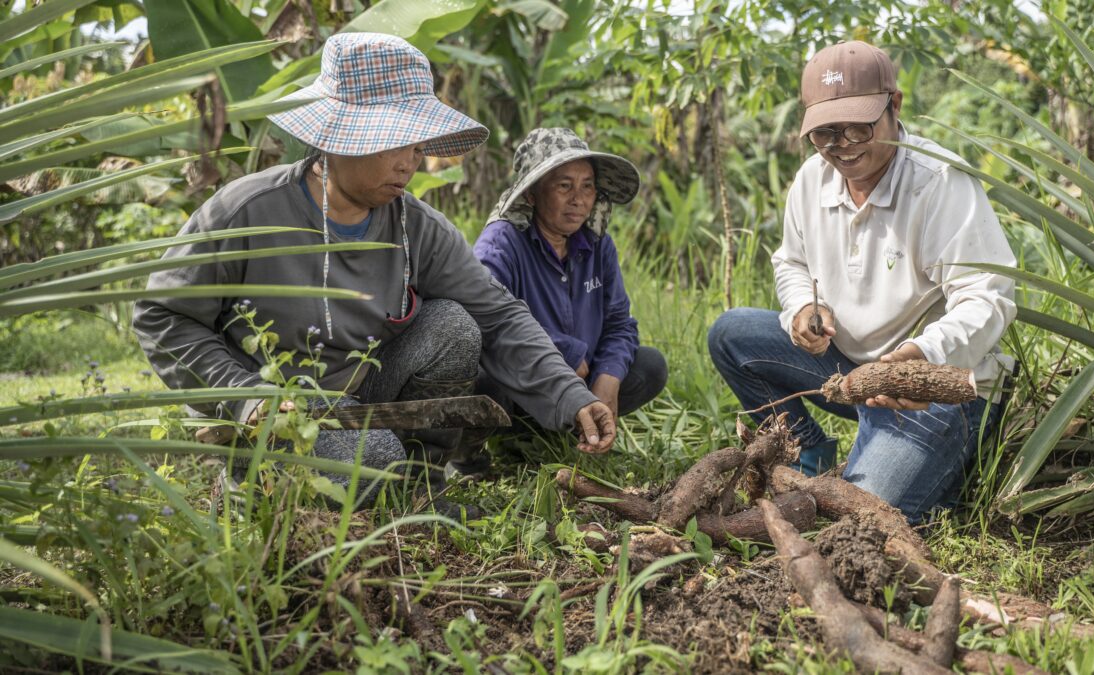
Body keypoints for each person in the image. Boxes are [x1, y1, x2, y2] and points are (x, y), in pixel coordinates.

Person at [133, 34, 615, 511]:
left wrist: (570, 395)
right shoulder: (247, 211)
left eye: (416, 144)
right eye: (395, 143)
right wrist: (245, 396)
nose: (410, 163)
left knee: (453, 327)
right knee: (375, 468)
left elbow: (498, 314)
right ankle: (254, 477)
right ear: (335, 139)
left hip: (360, 391)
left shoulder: (416, 225)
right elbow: (163, 317)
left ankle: (424, 481)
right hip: (274, 403)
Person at [707, 40, 1017, 522]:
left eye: (859, 128)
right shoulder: (812, 180)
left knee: (857, 517)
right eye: (826, 134)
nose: (844, 146)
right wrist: (802, 311)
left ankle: (946, 458)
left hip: (931, 387)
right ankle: (808, 452)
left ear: (894, 105)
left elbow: (988, 298)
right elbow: (791, 263)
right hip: (849, 371)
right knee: (732, 334)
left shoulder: (938, 182)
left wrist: (922, 358)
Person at [474, 127, 667, 422]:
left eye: (587, 186)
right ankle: (513, 439)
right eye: (565, 186)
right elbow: (487, 324)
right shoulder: (500, 246)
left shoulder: (597, 243)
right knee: (481, 379)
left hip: (584, 381)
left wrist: (608, 376)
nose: (579, 199)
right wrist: (564, 354)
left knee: (650, 366)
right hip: (525, 390)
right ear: (532, 193)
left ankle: (581, 423)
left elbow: (619, 323)